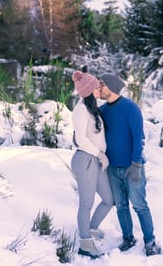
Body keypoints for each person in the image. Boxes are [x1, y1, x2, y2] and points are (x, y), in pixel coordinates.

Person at [99, 73, 161, 257]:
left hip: (131, 167)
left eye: (101, 85)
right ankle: (128, 238)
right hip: (112, 168)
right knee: (121, 206)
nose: (99, 88)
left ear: (110, 86)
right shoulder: (103, 110)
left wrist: (136, 164)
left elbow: (138, 138)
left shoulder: (130, 108)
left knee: (139, 205)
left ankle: (150, 242)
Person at [71, 70, 114, 259]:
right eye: (96, 86)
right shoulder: (80, 110)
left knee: (108, 199)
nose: (99, 88)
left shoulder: (93, 109)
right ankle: (85, 243)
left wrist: (101, 155)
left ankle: (91, 228)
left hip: (96, 160)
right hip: (86, 160)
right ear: (89, 90)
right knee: (86, 203)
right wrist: (99, 154)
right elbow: (80, 139)